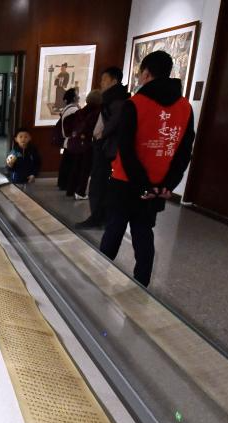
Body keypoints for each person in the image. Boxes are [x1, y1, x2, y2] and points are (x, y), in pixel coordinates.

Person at [99, 51, 194, 287]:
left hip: (125, 182)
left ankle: (96, 277)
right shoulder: (185, 107)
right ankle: (142, 285)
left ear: (146, 74)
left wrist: (143, 185)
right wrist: (166, 185)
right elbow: (184, 151)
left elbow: (126, 150)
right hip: (157, 185)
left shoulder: (135, 104)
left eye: (140, 73)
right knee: (143, 232)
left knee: (114, 229)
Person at [77, 67, 130, 229]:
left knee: (99, 183)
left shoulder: (117, 100)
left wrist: (101, 135)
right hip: (105, 145)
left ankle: (98, 217)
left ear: (114, 81)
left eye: (104, 80)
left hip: (107, 147)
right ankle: (100, 216)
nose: (101, 83)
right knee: (99, 182)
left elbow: (114, 122)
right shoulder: (112, 98)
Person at [59, 89, 102, 199]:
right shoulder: (97, 112)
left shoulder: (81, 111)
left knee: (76, 166)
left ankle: (70, 189)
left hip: (77, 142)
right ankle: (80, 192)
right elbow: (95, 129)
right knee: (85, 169)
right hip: (88, 143)